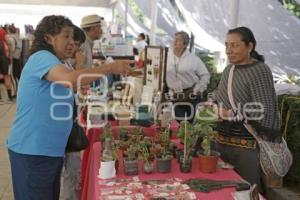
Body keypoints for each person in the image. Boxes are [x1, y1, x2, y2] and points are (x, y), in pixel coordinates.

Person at [6, 15, 132, 200]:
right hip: (33, 150)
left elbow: (72, 84)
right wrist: (110, 67)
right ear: (49, 38)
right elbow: (71, 80)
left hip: (48, 150)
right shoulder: (42, 57)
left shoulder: (57, 61)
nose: (71, 43)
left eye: (73, 38)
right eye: (66, 36)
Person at [212, 26, 282, 191]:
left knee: (246, 190)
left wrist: (229, 113)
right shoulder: (229, 70)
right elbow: (217, 95)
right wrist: (213, 106)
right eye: (226, 45)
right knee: (223, 191)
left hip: (247, 148)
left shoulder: (260, 71)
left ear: (250, 46)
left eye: (234, 45)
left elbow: (264, 110)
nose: (228, 50)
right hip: (221, 143)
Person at [62, 25, 86, 200]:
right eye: (74, 43)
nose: (76, 48)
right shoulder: (62, 64)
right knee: (71, 172)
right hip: (63, 126)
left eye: (78, 44)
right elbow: (75, 85)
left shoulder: (66, 63)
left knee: (72, 171)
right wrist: (80, 64)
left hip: (67, 123)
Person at [166, 31, 210, 122]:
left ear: (185, 44)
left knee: (188, 124)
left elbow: (205, 75)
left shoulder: (193, 59)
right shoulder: (166, 56)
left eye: (178, 40)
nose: (174, 42)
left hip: (190, 95)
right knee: (180, 123)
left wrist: (199, 89)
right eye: (174, 39)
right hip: (174, 95)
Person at [0, 27, 14, 102]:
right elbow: (9, 45)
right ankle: (9, 97)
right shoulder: (2, 31)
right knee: (7, 77)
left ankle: (0, 98)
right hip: (5, 59)